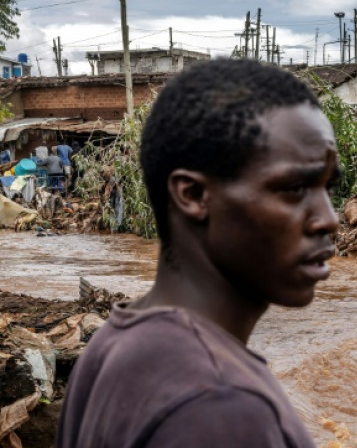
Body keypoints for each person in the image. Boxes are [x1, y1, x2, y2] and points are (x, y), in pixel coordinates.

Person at [57, 59, 337, 448]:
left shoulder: (112, 344)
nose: (329, 219)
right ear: (193, 195)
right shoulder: (221, 404)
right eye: (293, 187)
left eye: (328, 188)